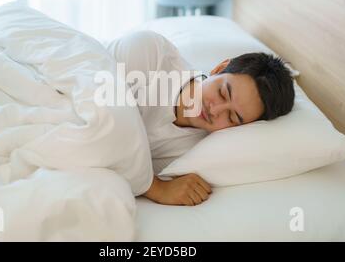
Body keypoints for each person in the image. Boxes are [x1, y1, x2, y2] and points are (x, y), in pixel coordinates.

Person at [108, 30, 295, 206]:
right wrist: (155, 188)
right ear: (219, 68)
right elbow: (102, 120)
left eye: (231, 117)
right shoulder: (150, 52)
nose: (215, 111)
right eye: (222, 93)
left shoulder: (196, 154)